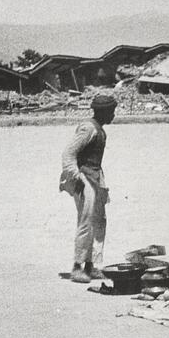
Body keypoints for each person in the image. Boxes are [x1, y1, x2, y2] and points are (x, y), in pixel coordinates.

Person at [59, 94, 118, 283]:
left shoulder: (100, 130)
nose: (113, 115)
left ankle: (92, 265)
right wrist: (77, 177)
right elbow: (69, 153)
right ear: (104, 112)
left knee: (99, 222)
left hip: (96, 178)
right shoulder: (88, 129)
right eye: (111, 112)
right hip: (85, 179)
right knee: (86, 223)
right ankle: (77, 267)